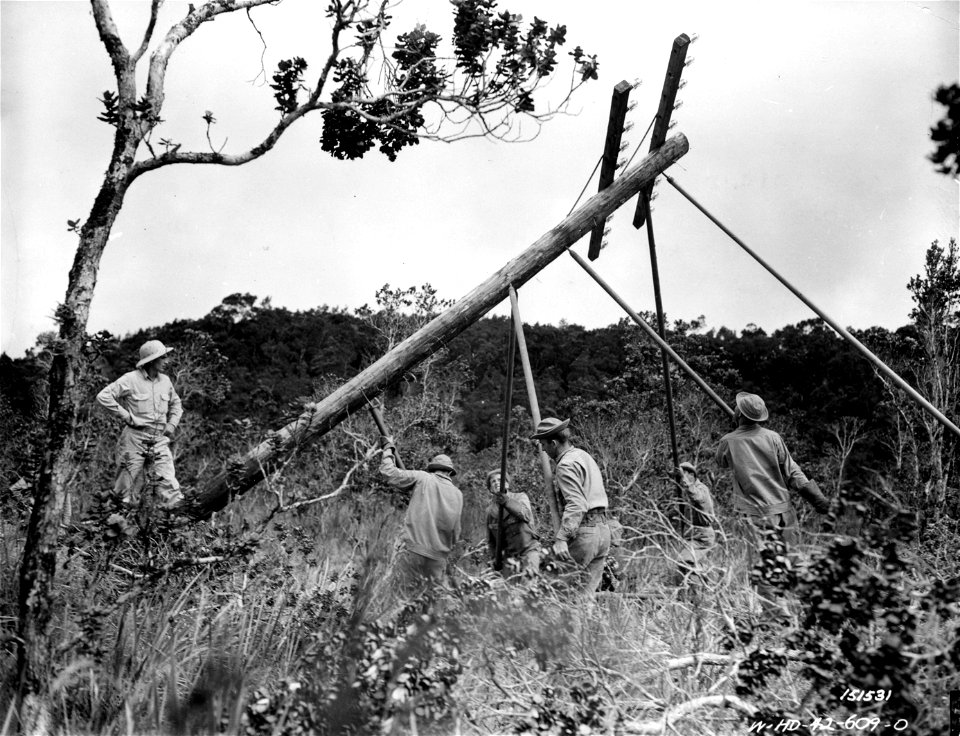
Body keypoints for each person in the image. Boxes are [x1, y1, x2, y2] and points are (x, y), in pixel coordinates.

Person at [715, 392, 830, 552]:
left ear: (739, 413)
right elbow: (793, 472)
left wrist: (735, 432)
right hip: (783, 511)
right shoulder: (773, 437)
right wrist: (819, 500)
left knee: (764, 568)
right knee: (793, 561)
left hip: (755, 516)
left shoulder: (727, 441)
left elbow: (721, 462)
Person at [96, 339, 184, 507]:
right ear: (151, 360)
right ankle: (115, 525)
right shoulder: (130, 379)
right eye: (163, 357)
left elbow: (176, 404)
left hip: (158, 439)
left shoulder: (165, 381)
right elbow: (103, 397)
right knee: (124, 486)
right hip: (134, 439)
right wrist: (127, 417)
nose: (167, 361)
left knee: (168, 483)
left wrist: (171, 424)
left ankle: (177, 522)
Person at [531, 417, 611, 593]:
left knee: (551, 589)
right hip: (603, 532)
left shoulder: (565, 465)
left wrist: (561, 539)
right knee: (584, 599)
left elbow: (576, 504)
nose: (543, 450)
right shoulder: (584, 456)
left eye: (543, 444)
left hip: (585, 533)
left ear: (553, 443)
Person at [379, 438, 463, 596]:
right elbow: (456, 532)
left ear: (433, 469)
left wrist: (388, 449)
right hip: (438, 558)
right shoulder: (458, 494)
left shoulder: (423, 478)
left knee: (399, 599)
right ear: (450, 472)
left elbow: (388, 473)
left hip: (413, 551)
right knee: (426, 604)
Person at [485, 469, 541, 576]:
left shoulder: (520, 497)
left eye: (500, 480)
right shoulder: (490, 512)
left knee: (528, 585)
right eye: (493, 481)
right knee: (509, 591)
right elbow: (492, 542)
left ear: (506, 484)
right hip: (510, 558)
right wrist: (495, 560)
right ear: (490, 489)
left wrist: (507, 502)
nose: (497, 483)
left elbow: (526, 515)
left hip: (529, 551)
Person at [676, 461, 719, 584]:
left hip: (704, 535)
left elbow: (696, 496)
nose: (681, 480)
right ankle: (697, 587)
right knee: (686, 563)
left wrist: (684, 480)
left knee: (685, 559)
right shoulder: (690, 488)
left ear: (691, 474)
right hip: (694, 532)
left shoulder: (701, 489)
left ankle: (708, 576)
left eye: (683, 475)